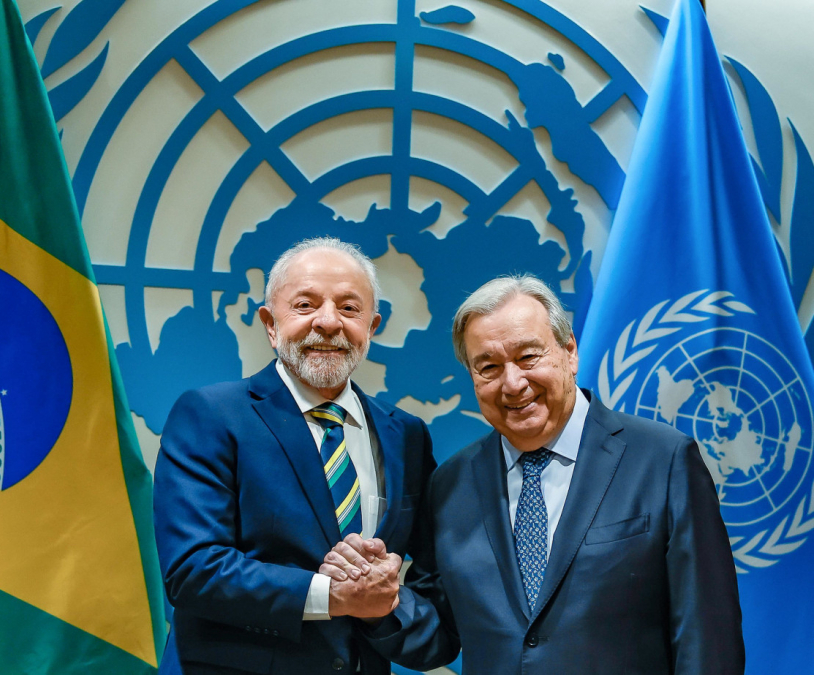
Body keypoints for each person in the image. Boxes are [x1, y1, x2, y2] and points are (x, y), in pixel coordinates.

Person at [324, 274, 745, 674]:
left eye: (528, 357)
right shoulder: (451, 484)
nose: (512, 383)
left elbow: (708, 640)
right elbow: (441, 633)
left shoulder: (664, 460)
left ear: (569, 351)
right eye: (488, 367)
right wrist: (382, 603)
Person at [152, 237, 436, 675]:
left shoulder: (406, 436)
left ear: (372, 327)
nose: (329, 322)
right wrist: (333, 596)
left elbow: (429, 577)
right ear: (270, 323)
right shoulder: (211, 415)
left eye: (349, 308)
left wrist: (379, 609)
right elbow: (194, 570)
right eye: (305, 305)